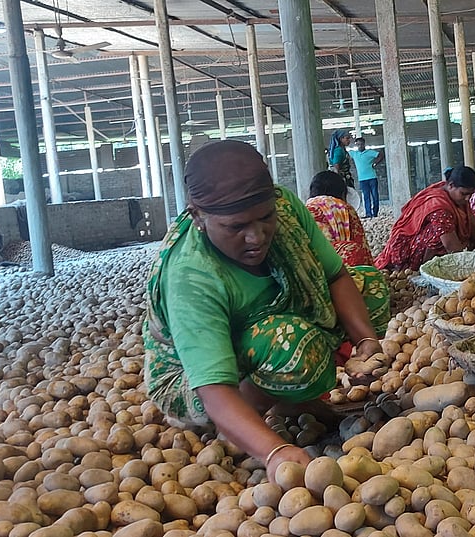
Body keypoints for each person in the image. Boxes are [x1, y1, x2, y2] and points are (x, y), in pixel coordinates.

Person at [142, 141, 390, 480]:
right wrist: (275, 452)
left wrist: (366, 344)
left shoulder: (285, 208)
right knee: (291, 345)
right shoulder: (191, 275)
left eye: (265, 218)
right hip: (194, 377)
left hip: (272, 324)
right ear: (198, 216)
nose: (256, 236)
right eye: (235, 227)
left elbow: (335, 275)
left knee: (371, 287)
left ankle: (296, 402)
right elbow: (212, 386)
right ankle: (243, 421)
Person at [375, 166, 475, 271]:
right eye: (464, 193)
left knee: (466, 240)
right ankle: (424, 268)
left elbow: (473, 227)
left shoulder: (456, 197)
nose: (468, 198)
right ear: (451, 185)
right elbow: (451, 246)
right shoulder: (438, 205)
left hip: (441, 241)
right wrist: (468, 270)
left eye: (471, 194)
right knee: (438, 233)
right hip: (407, 251)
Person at [306, 170, 374, 267]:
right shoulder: (344, 208)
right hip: (335, 269)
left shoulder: (305, 208)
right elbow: (361, 245)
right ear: (342, 192)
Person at [349, 137, 384, 218]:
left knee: (375, 195)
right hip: (362, 179)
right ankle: (368, 213)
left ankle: (375, 213)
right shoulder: (354, 153)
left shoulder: (370, 152)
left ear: (364, 144)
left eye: (361, 144)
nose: (360, 146)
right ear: (356, 145)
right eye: (358, 144)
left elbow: (381, 155)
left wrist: (375, 163)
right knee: (366, 196)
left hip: (372, 177)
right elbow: (345, 153)